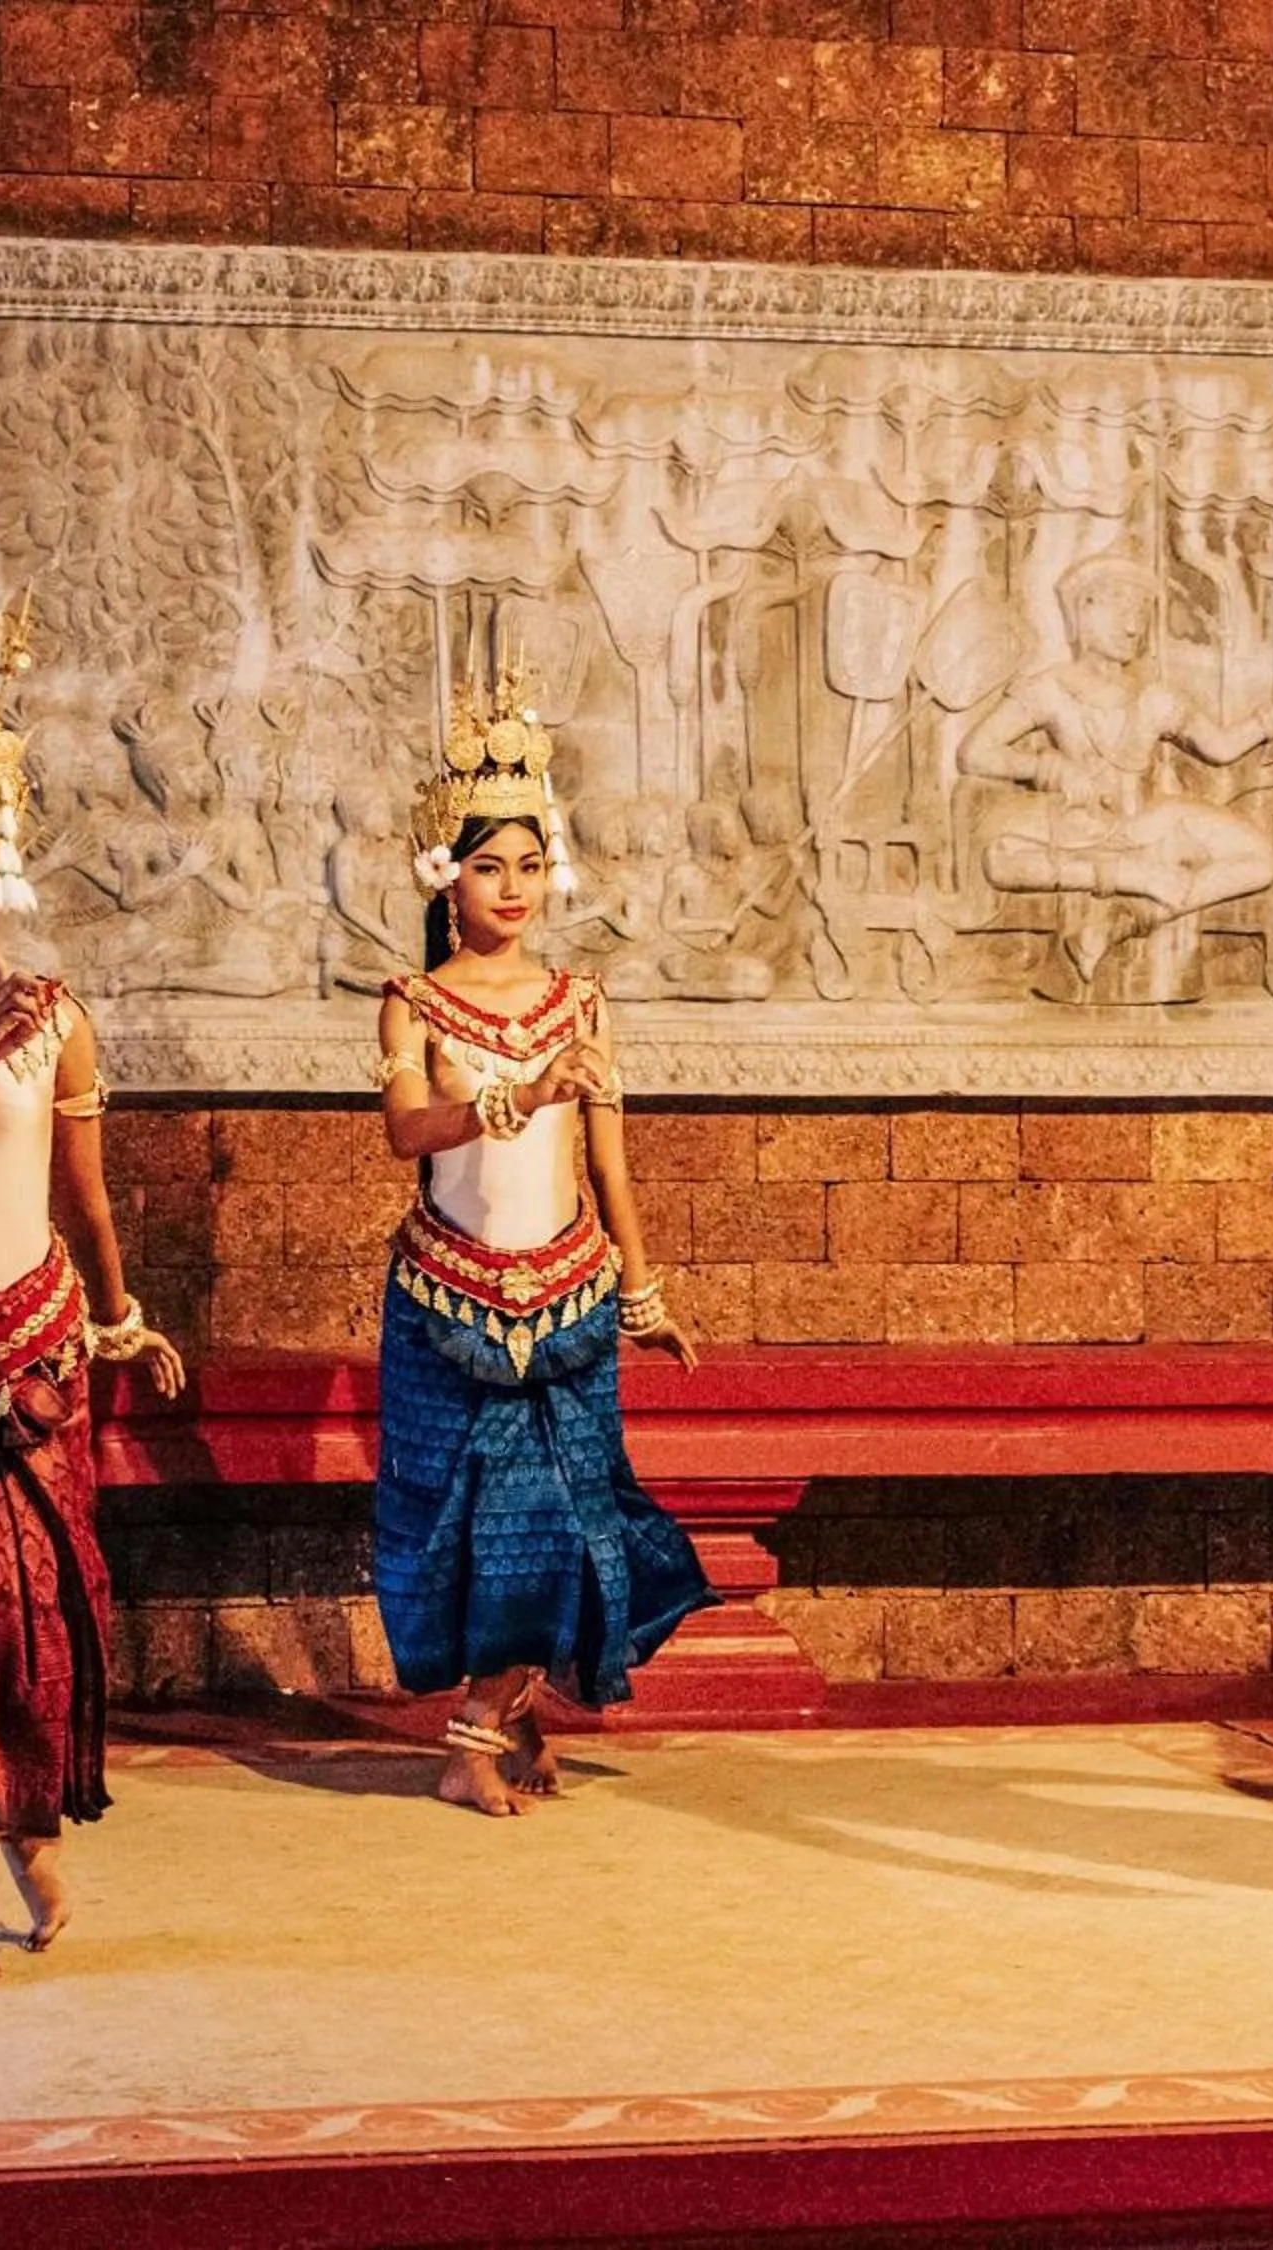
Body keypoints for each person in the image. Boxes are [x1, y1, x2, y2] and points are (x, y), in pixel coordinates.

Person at [372, 664, 707, 1817]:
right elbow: (406, 1131)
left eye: (526, 865)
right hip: (447, 1305)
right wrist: (505, 1101)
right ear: (445, 875)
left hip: (569, 1300)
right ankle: (481, 1733)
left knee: (574, 1525)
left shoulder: (583, 999)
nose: (510, 888)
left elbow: (609, 1164)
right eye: (485, 866)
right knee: (472, 1531)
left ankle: (500, 1723)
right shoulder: (415, 1001)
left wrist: (648, 1295)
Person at [0, 590, 184, 1973]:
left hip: (37, 1347)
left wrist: (120, 1317)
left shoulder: (51, 1016)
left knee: (30, 1610)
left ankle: (24, 1827)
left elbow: (88, 1196)